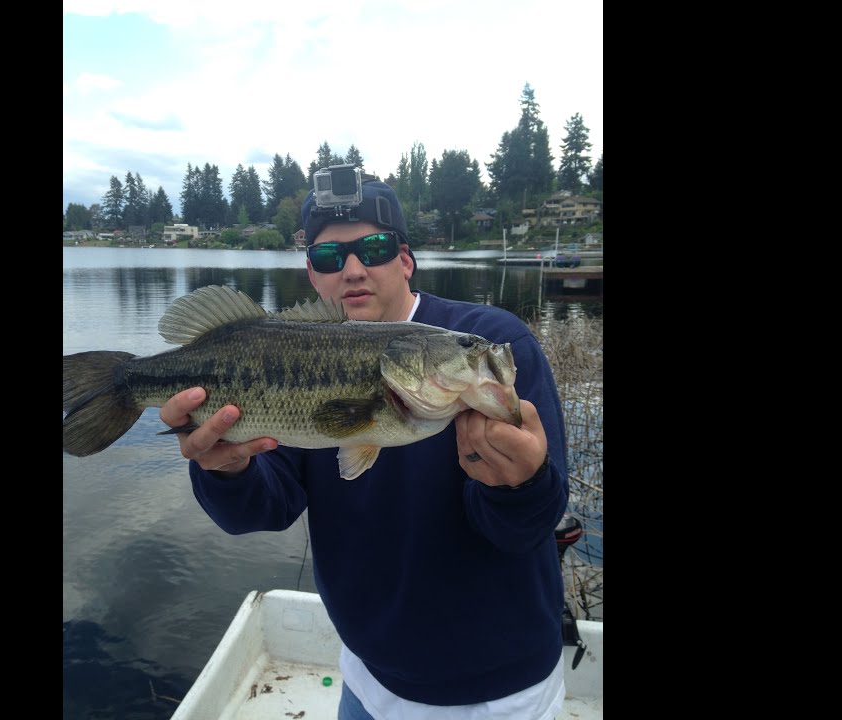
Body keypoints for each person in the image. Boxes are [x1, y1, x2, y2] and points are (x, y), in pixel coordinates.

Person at [159, 177, 570, 719]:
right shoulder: (293, 354)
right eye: (328, 255)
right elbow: (263, 509)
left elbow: (526, 526)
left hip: (499, 691)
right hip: (366, 675)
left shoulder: (492, 341)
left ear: (405, 259)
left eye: (373, 249)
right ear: (312, 271)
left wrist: (519, 485)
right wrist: (226, 469)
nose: (352, 270)